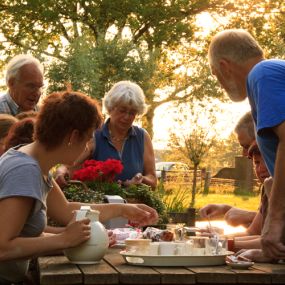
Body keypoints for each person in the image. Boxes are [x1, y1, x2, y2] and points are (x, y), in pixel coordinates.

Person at [0, 90, 158, 284]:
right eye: (87, 139)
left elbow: (66, 211)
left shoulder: (34, 163)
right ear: (73, 136)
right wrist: (64, 239)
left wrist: (123, 209)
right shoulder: (24, 170)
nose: (86, 148)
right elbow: (2, 247)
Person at [208, 28, 285, 259]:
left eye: (215, 75)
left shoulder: (263, 74)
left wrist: (274, 220)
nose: (220, 84)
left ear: (223, 66)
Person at [56, 80, 157, 189]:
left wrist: (141, 179)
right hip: (99, 203)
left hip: (135, 202)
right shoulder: (95, 135)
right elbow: (70, 165)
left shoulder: (142, 137)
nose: (127, 117)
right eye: (122, 111)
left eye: (132, 112)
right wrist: (61, 171)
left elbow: (152, 179)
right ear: (110, 108)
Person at [199, 111, 256, 226]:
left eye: (246, 146)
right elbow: (265, 225)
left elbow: (274, 232)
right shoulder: (270, 179)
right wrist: (226, 209)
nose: (245, 154)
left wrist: (249, 216)